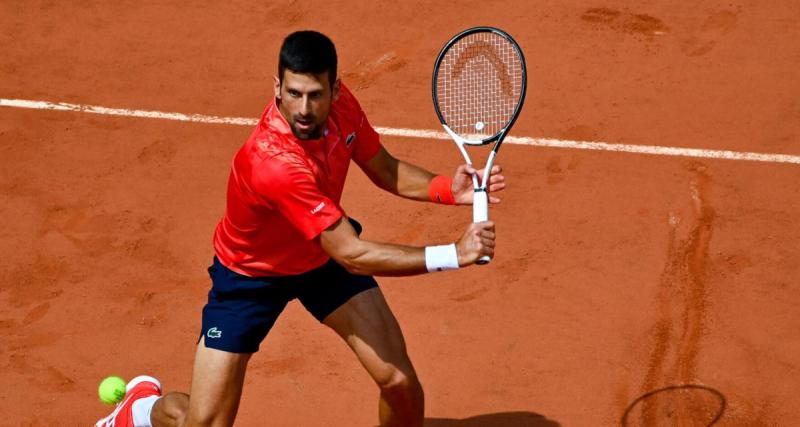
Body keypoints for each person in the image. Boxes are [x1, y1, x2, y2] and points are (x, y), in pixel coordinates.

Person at [96, 30, 505, 427]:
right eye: (293, 94)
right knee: (204, 423)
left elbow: (384, 168)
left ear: (336, 90)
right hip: (250, 277)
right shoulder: (274, 162)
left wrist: (447, 189)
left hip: (319, 260)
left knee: (399, 383)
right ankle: (142, 410)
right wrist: (454, 254)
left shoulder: (344, 111)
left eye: (315, 95)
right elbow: (353, 254)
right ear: (277, 88)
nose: (304, 109)